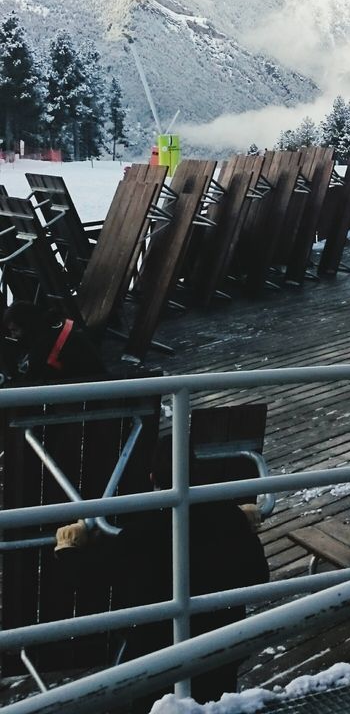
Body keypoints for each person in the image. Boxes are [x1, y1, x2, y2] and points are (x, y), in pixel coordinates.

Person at [54, 435, 270, 705]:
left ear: (153, 477)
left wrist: (67, 546)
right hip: (221, 653)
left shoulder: (139, 534)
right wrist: (244, 528)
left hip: (154, 661)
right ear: (197, 472)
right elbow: (259, 577)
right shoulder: (230, 518)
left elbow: (84, 577)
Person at [2, 300, 106, 384]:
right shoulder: (59, 325)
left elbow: (30, 381)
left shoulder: (43, 348)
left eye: (15, 330)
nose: (13, 335)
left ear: (27, 326)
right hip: (99, 378)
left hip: (87, 389)